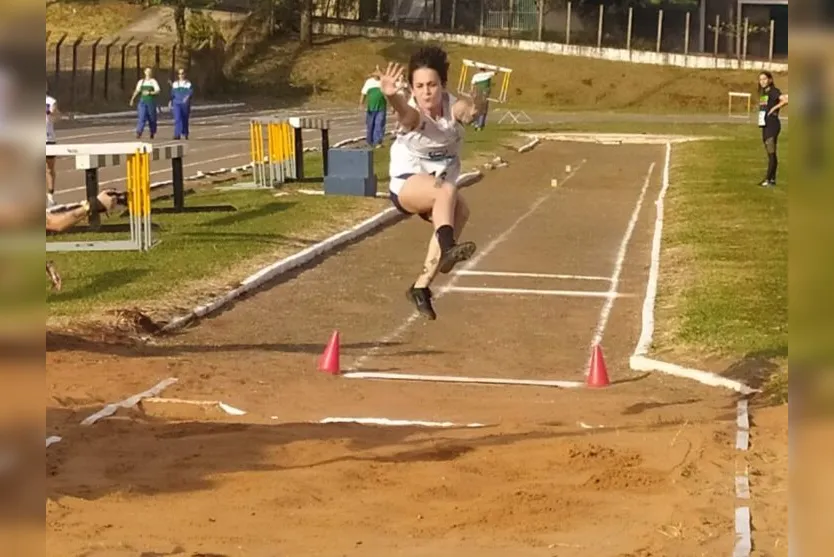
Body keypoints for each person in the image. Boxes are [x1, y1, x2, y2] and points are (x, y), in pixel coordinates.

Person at [377, 46, 485, 321]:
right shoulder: (413, 113)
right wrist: (393, 97)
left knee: (462, 211)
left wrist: (476, 107)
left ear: (443, 85)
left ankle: (421, 286)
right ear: (412, 89)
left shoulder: (452, 105)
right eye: (420, 86)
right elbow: (405, 114)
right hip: (407, 184)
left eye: (432, 85)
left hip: (438, 186)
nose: (426, 92)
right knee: (447, 192)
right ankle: (448, 248)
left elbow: (465, 112)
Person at [756, 71, 788, 187]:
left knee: (771, 153)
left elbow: (785, 100)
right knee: (771, 152)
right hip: (765, 124)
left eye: (764, 79)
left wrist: (774, 108)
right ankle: (772, 179)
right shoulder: (764, 92)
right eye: (760, 79)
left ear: (770, 79)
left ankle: (768, 179)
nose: (762, 81)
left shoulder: (773, 91)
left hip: (772, 125)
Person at [130, 67, 161, 140]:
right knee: (142, 117)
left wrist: (150, 92)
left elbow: (158, 91)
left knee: (152, 118)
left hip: (151, 102)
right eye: (147, 71)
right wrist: (132, 99)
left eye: (150, 71)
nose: (148, 73)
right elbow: (137, 90)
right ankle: (139, 132)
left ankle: (152, 132)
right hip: (142, 101)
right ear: (144, 72)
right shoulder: (141, 81)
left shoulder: (153, 81)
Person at [359, 71, 387, 148]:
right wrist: (361, 103)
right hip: (371, 107)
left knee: (379, 124)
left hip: (381, 107)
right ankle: (369, 141)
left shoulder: (383, 82)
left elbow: (387, 94)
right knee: (370, 124)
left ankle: (377, 142)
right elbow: (363, 93)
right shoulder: (369, 82)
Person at [169, 68, 193, 140]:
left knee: (184, 118)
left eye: (182, 73)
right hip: (176, 103)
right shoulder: (175, 84)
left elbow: (190, 92)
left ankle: (185, 133)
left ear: (185, 74)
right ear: (178, 75)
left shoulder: (188, 84)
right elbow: (172, 94)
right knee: (177, 118)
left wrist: (187, 97)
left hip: (185, 104)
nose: (181, 75)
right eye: (179, 74)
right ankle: (177, 134)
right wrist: (170, 101)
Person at [469, 65, 495, 131]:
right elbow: (495, 72)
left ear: (479, 69)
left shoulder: (476, 76)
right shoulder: (488, 74)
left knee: (477, 108)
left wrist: (472, 91)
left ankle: (476, 123)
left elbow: (472, 84)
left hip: (478, 93)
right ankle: (480, 125)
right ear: (485, 70)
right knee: (483, 109)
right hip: (484, 94)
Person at [46, 88, 58, 207]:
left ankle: (50, 197)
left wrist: (52, 112)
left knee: (50, 168)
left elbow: (55, 115)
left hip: (48, 139)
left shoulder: (50, 101)